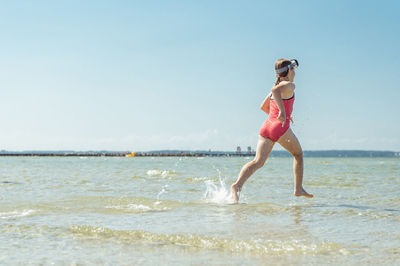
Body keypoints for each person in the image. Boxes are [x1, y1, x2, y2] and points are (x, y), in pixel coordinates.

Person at [231, 58, 313, 203]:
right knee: (298, 154)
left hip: (267, 126)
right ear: (288, 71)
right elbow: (274, 90)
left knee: (257, 162)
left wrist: (279, 115)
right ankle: (298, 189)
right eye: (293, 69)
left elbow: (264, 107)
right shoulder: (289, 85)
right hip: (280, 128)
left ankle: (237, 186)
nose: (294, 72)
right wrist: (282, 113)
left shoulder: (279, 87)